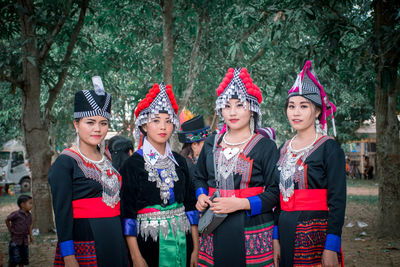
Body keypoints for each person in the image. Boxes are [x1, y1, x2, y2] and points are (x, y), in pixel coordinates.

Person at [193, 67, 279, 266]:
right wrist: (201, 195)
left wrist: (240, 203)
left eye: (240, 105)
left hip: (252, 230)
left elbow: (274, 192)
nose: (232, 112)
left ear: (252, 109)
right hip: (213, 227)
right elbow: (199, 177)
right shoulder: (211, 142)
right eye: (227, 106)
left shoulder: (265, 147)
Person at [48, 76, 128, 267]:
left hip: (115, 238)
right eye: (90, 122)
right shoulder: (65, 162)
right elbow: (62, 212)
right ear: (76, 125)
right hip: (85, 241)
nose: (97, 129)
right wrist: (69, 255)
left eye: (103, 123)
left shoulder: (107, 159)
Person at [273, 61, 346, 267]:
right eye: (291, 106)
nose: (295, 112)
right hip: (285, 229)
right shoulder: (284, 148)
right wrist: (275, 237)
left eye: (304, 106)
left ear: (316, 112)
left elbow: (338, 201)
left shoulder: (329, 148)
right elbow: (278, 198)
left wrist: (331, 245)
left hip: (316, 233)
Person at [120, 83, 199, 267]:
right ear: (144, 125)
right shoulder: (132, 165)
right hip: (148, 244)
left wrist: (195, 247)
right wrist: (136, 257)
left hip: (183, 242)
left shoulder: (181, 162)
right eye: (156, 120)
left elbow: (190, 206)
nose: (163, 126)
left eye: (168, 121)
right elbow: (127, 214)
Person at [5, 195, 33, 267]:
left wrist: (31, 236)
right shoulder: (16, 214)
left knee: (23, 258)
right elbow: (7, 220)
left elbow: (29, 225)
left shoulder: (29, 215)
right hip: (15, 240)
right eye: (30, 203)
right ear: (22, 204)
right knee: (14, 258)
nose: (31, 205)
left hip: (24, 240)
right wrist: (10, 229)